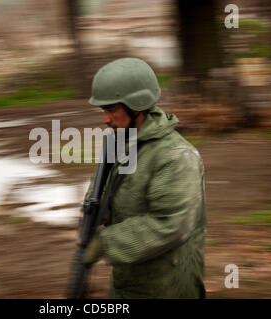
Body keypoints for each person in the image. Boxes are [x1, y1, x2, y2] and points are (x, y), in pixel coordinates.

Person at [82, 58, 207, 299]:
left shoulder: (176, 156)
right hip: (127, 283)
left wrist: (104, 243)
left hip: (167, 288)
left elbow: (171, 224)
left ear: (136, 106)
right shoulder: (120, 146)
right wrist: (94, 211)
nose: (104, 119)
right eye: (103, 111)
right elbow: (103, 197)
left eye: (111, 110)